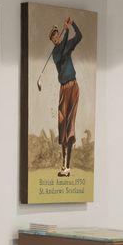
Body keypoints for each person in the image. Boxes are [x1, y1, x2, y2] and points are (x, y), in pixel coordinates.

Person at [47, 16, 84, 176]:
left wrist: (72, 25)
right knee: (62, 124)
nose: (56, 38)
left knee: (69, 125)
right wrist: (66, 30)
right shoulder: (56, 53)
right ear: (52, 40)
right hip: (63, 89)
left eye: (57, 35)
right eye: (53, 37)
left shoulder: (67, 44)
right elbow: (62, 54)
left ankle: (67, 167)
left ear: (59, 35)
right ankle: (64, 166)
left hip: (73, 86)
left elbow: (80, 36)